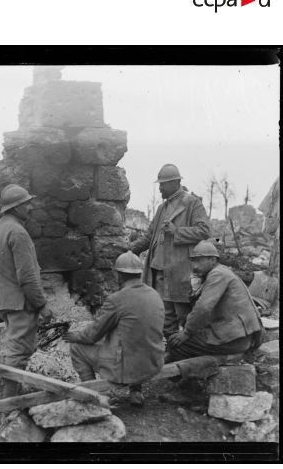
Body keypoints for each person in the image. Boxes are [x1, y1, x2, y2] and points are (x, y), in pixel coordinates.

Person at [64, 251, 165, 406]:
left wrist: (75, 336)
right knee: (132, 337)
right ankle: (136, 391)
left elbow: (93, 335)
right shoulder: (154, 294)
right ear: (139, 273)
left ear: (119, 275)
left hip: (128, 369)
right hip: (152, 364)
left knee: (77, 347)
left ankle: (95, 396)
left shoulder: (116, 300)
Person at [129, 164, 211, 339]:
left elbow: (204, 230)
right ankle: (172, 351)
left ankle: (195, 350)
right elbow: (150, 236)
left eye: (163, 184)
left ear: (175, 183)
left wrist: (177, 232)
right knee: (164, 316)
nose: (159, 188)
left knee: (184, 314)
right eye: (159, 184)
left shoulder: (192, 203)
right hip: (159, 270)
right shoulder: (162, 208)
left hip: (180, 270)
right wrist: (130, 250)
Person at [0, 184, 53, 398]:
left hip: (3, 301)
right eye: (26, 204)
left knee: (15, 347)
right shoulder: (18, 232)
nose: (31, 207)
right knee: (18, 352)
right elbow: (27, 277)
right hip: (19, 302)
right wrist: (42, 305)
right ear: (15, 208)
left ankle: (14, 394)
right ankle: (10, 403)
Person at [166, 241, 263, 362]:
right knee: (179, 341)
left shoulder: (218, 274)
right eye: (193, 261)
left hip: (236, 339)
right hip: (241, 336)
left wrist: (187, 332)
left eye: (199, 261)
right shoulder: (220, 272)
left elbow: (203, 308)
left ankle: (193, 380)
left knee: (176, 345)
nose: (195, 266)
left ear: (213, 260)